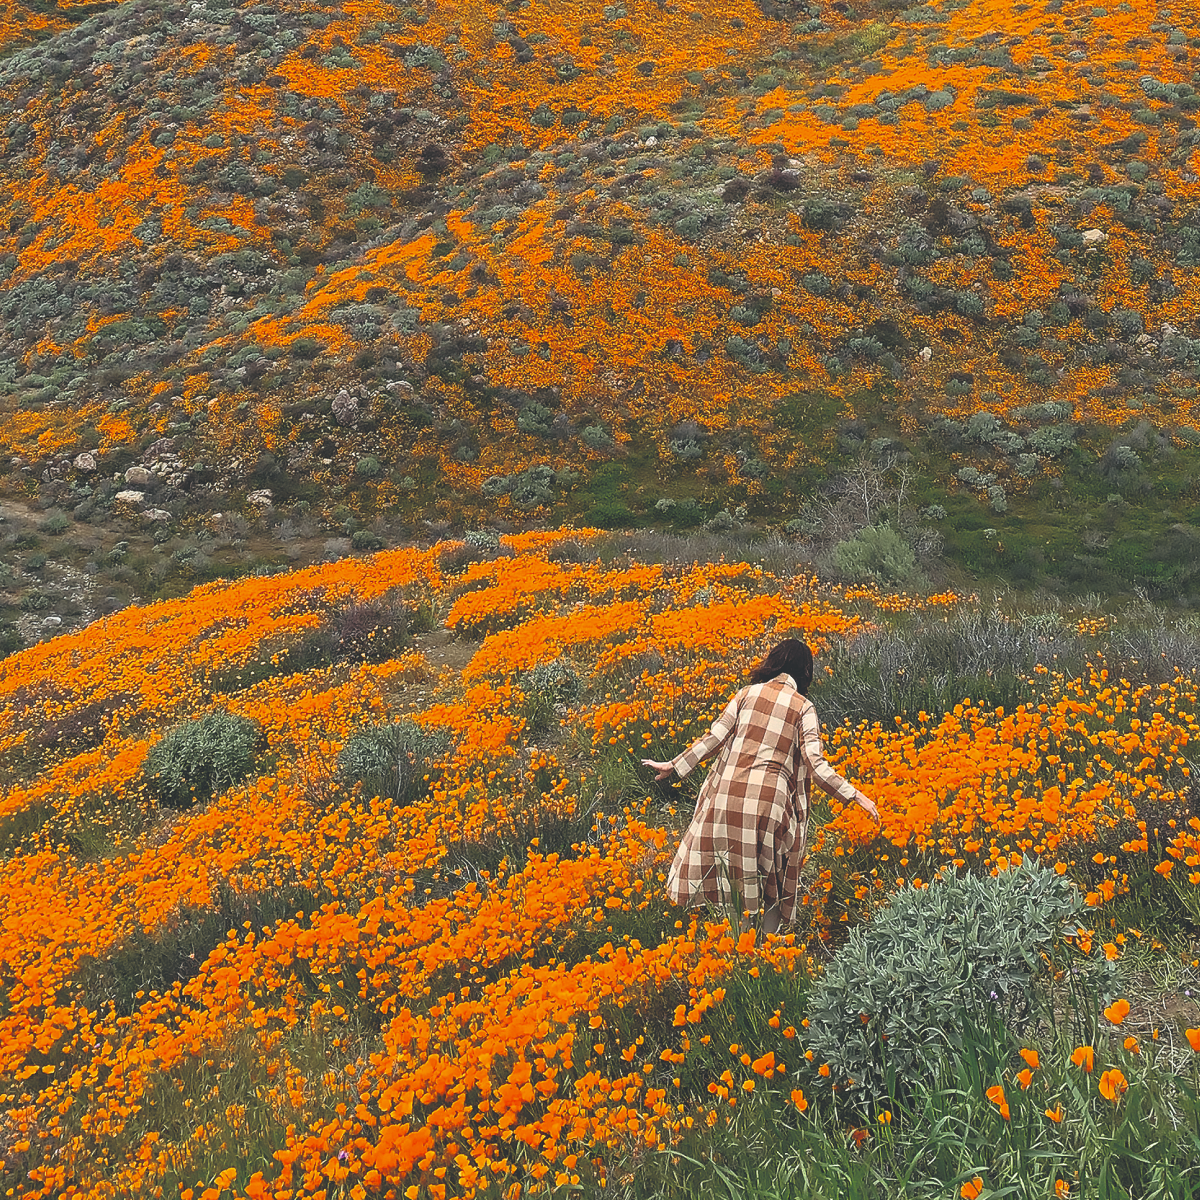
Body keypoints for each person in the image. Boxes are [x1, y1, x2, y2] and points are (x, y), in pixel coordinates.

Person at [642, 638, 879, 934]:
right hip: (769, 803)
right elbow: (816, 765)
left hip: (727, 796)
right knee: (770, 882)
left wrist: (674, 766)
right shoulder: (804, 708)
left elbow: (713, 739)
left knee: (732, 872)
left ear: (774, 662)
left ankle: (738, 942)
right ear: (805, 672)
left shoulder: (746, 694)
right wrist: (856, 796)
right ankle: (764, 952)